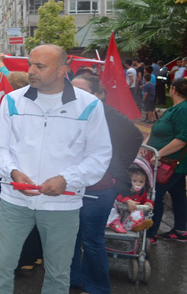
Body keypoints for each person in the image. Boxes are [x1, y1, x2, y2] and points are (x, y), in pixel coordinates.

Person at [0, 44, 112, 294]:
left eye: (39, 66)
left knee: (58, 274)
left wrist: (67, 178)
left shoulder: (88, 105)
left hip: (62, 205)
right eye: (30, 65)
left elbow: (99, 156)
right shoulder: (13, 100)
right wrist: (12, 172)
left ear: (61, 70)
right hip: (15, 200)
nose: (31, 71)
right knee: (0, 267)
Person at [68, 74, 143, 294]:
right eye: (73, 89)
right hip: (70, 187)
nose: (76, 94)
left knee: (91, 241)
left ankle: (97, 289)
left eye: (82, 90)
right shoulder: (69, 112)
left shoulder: (109, 114)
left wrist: (114, 164)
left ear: (98, 95)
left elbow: (135, 137)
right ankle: (73, 280)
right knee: (70, 238)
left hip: (99, 189)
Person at [146, 78, 187, 244]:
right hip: (171, 163)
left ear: (174, 90)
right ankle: (181, 230)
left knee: (156, 194)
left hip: (171, 163)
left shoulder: (183, 109)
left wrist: (159, 154)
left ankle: (151, 234)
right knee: (178, 194)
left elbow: (183, 138)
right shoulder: (176, 108)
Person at [107, 160, 154, 233]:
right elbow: (118, 197)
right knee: (111, 207)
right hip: (119, 212)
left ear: (145, 183)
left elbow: (144, 200)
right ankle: (115, 223)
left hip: (130, 215)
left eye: (141, 182)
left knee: (138, 213)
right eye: (134, 181)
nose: (138, 184)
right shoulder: (123, 190)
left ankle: (135, 225)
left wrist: (148, 203)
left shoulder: (142, 192)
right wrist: (128, 201)